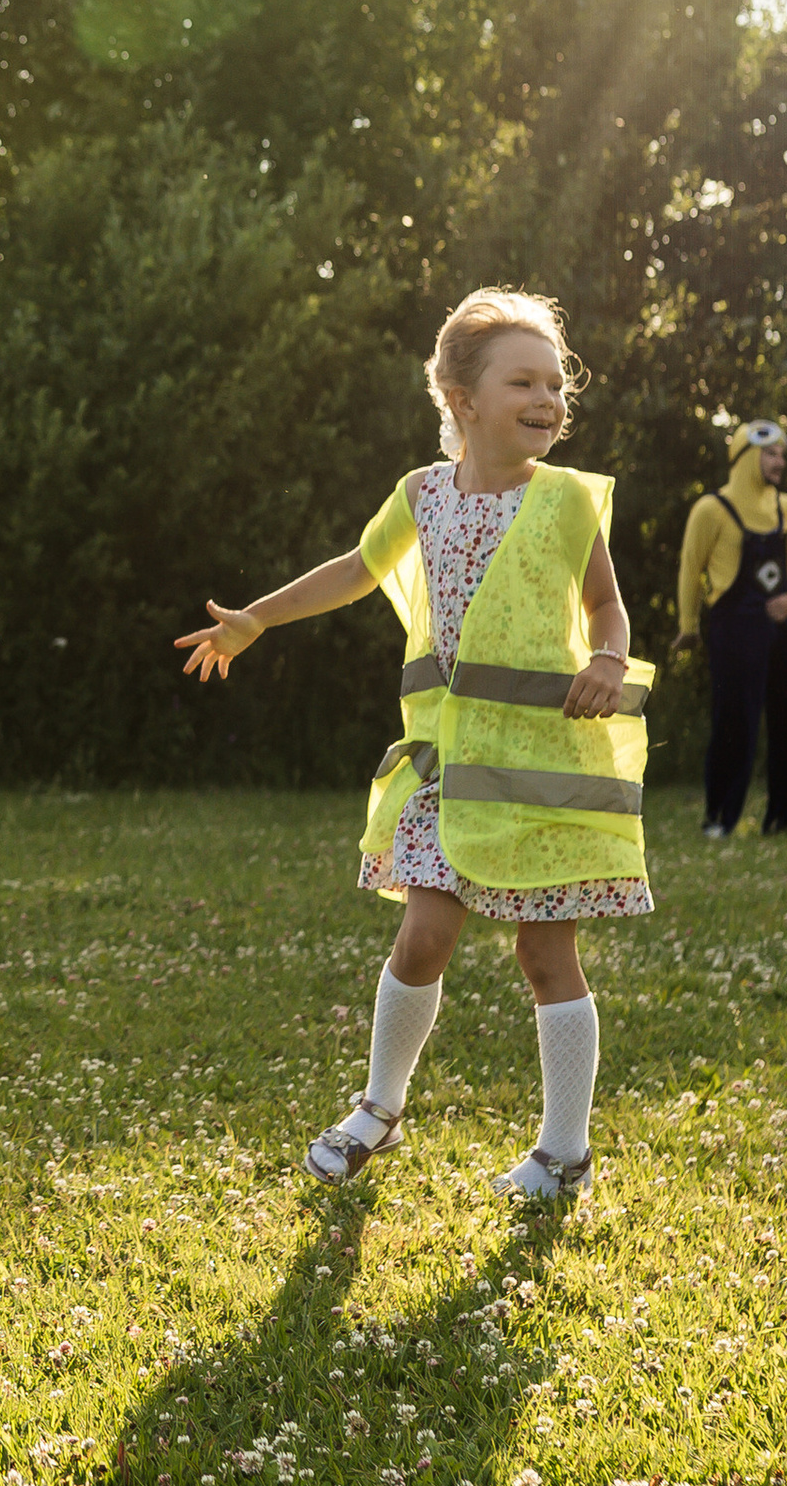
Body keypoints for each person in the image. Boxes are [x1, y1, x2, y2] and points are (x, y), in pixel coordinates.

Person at [176, 286, 652, 1201]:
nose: (549, 399)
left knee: (547, 955)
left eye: (557, 384)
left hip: (542, 765)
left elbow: (606, 602)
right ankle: (379, 1109)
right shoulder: (420, 497)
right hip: (446, 766)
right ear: (461, 399)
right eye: (525, 381)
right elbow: (357, 570)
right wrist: (258, 620)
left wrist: (608, 655)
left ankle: (565, 1150)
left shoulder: (567, 506)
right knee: (421, 937)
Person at [675, 418, 787, 840]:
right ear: (747, 456)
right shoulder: (711, 509)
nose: (780, 462)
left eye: (782, 455)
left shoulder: (785, 507)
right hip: (733, 628)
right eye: (771, 454)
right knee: (735, 720)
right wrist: (687, 625)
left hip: (781, 627)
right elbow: (690, 569)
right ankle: (720, 817)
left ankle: (784, 816)